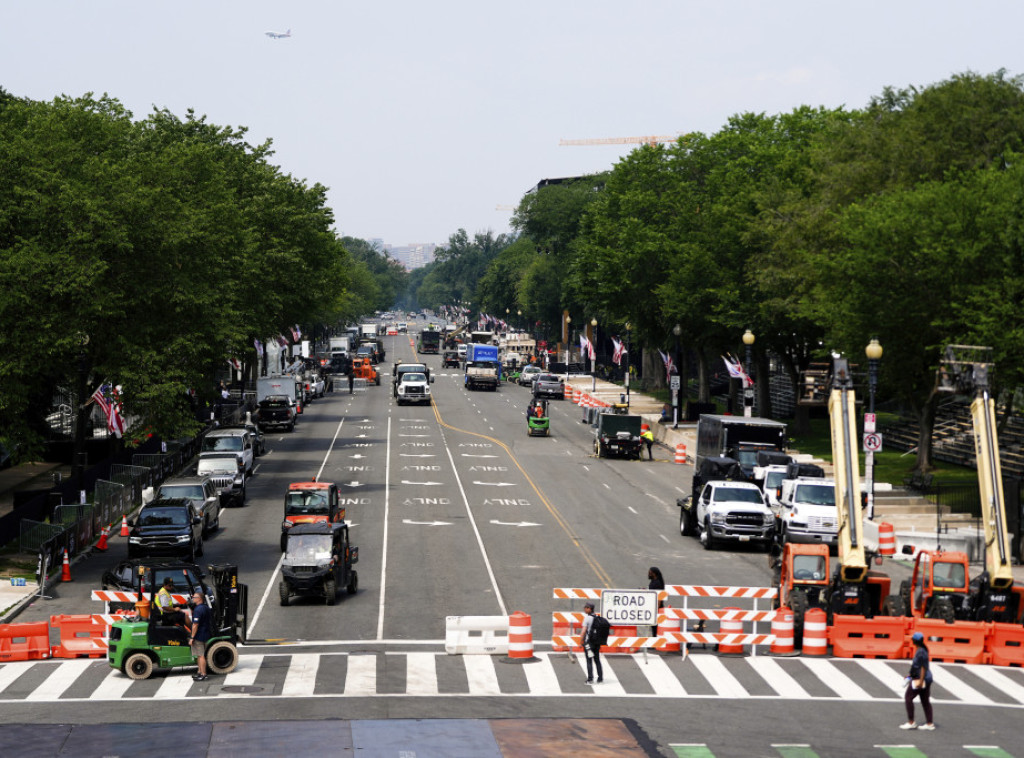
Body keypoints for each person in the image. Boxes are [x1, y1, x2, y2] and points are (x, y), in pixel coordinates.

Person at [901, 631, 935, 730]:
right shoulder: (922, 649)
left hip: (921, 678)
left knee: (908, 698)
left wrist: (920, 681)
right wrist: (909, 676)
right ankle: (929, 723)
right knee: (925, 700)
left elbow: (923, 667)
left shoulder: (920, 652)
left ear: (914, 641)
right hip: (924, 678)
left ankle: (911, 721)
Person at [189, 590, 212, 681]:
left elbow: (195, 625)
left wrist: (192, 637)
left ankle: (203, 674)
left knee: (201, 655)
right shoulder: (206, 608)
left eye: (194, 597)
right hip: (206, 633)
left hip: (199, 635)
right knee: (199, 655)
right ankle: (199, 671)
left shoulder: (198, 610)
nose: (193, 599)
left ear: (199, 599)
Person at [581, 602, 603, 685]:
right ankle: (600, 678)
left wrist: (581, 642)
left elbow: (583, 632)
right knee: (597, 660)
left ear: (589, 609)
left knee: (589, 661)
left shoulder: (587, 619)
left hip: (589, 644)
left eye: (586, 607)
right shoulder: (597, 617)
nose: (584, 609)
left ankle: (590, 679)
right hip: (597, 643)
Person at [647, 567, 665, 636]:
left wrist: (657, 609)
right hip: (653, 606)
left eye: (650, 573)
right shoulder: (653, 581)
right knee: (653, 626)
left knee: (655, 626)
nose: (649, 574)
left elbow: (659, 597)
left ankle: (655, 642)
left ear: (654, 574)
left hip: (656, 607)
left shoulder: (657, 583)